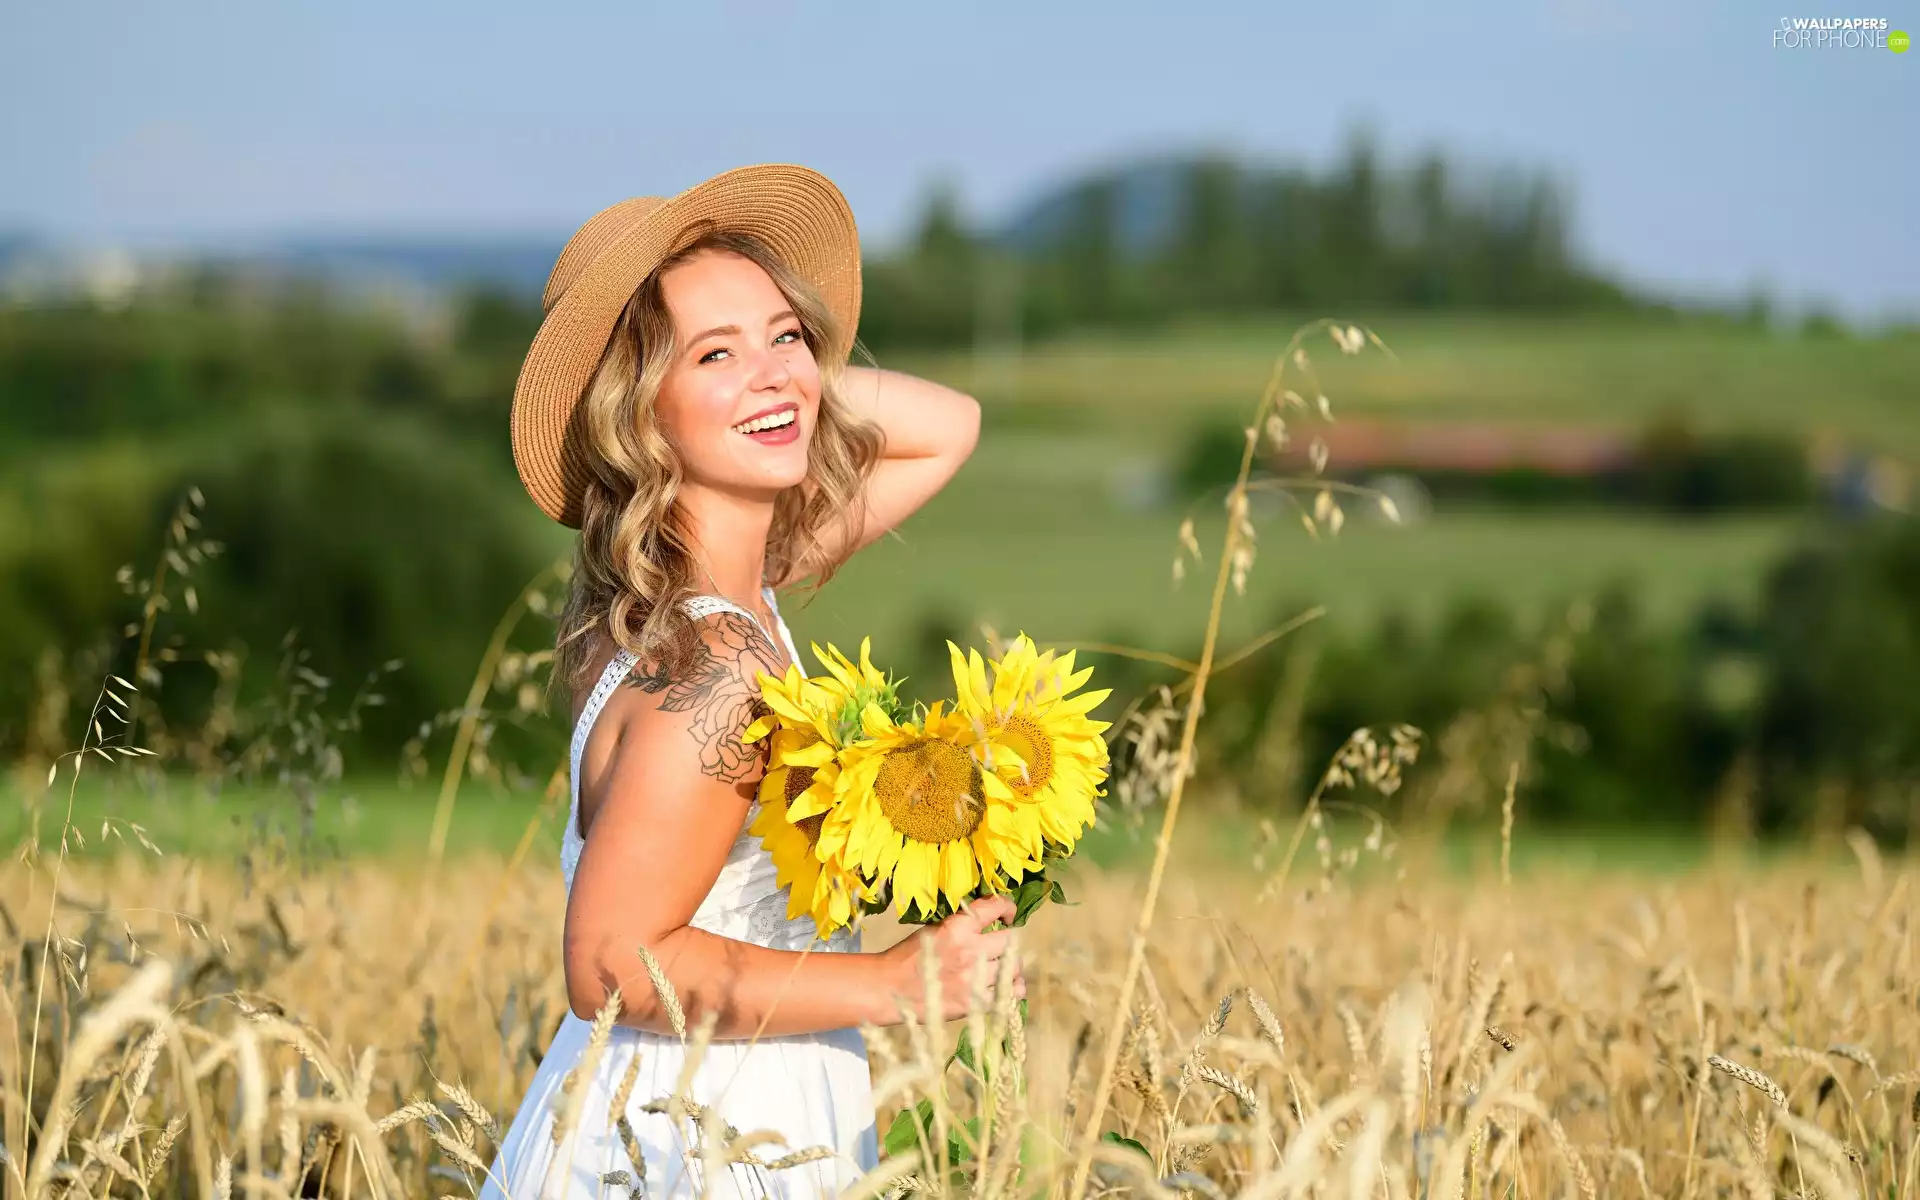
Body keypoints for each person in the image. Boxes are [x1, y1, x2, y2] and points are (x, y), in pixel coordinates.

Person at [480, 164, 1023, 1199]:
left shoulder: (708, 595)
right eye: (713, 353)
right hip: (695, 1138)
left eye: (786, 332)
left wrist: (770, 384)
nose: (772, 369)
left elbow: (950, 423)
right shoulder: (718, 670)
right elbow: (608, 963)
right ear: (636, 410)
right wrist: (895, 984)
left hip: (701, 1106)